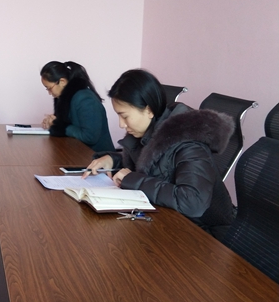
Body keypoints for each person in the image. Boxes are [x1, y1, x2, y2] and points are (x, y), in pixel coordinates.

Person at [83, 69, 236, 240]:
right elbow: (149, 163)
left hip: (205, 235)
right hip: (170, 221)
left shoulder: (190, 144)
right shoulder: (149, 133)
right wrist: (113, 159)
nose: (121, 124)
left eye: (124, 116)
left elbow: (193, 202)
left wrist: (132, 179)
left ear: (149, 110)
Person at [40, 61, 114, 152]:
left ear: (62, 82)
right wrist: (52, 122)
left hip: (97, 156)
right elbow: (69, 125)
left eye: (49, 88)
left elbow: (90, 137)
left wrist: (59, 126)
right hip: (77, 152)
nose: (49, 93)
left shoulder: (85, 100)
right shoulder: (64, 98)